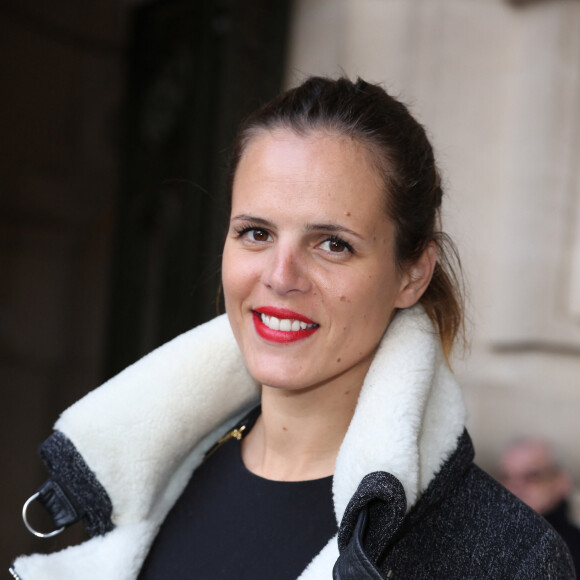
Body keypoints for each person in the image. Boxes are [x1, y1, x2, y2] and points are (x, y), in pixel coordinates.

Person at [10, 77, 574, 579]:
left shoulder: (508, 559)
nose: (280, 277)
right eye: (256, 233)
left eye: (333, 244)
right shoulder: (142, 482)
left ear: (412, 274)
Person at [500, 438, 580, 574]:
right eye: (507, 477)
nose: (515, 486)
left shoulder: (572, 549)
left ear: (561, 482)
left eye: (532, 475)